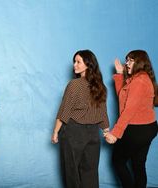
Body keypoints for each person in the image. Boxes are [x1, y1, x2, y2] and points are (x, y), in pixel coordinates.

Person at [51, 50, 109, 188]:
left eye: (78, 62)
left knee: (71, 172)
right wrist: (106, 131)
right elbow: (103, 114)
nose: (74, 65)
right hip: (94, 134)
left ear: (88, 65)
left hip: (73, 132)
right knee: (90, 172)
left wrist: (55, 132)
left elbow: (64, 111)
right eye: (74, 61)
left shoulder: (74, 84)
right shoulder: (101, 87)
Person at [105, 50, 158, 188]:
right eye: (126, 60)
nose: (127, 63)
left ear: (140, 62)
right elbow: (123, 98)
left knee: (118, 161)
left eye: (130, 60)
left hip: (136, 129)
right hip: (148, 128)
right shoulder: (140, 78)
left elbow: (128, 110)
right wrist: (119, 74)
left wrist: (115, 133)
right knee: (138, 164)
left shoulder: (139, 81)